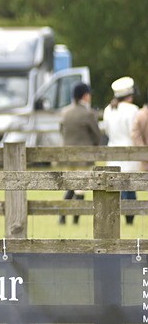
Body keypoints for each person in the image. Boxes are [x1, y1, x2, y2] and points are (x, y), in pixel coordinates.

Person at [59, 82, 106, 224]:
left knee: (71, 185)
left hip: (68, 156)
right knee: (81, 188)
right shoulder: (88, 113)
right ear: (85, 96)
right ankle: (75, 220)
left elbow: (61, 131)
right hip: (84, 157)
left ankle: (62, 216)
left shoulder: (65, 112)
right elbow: (97, 135)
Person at [103, 76, 139, 226]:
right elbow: (133, 131)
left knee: (117, 187)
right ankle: (129, 220)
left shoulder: (108, 109)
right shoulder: (132, 110)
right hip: (129, 152)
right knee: (130, 187)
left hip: (113, 151)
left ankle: (119, 219)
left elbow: (106, 131)